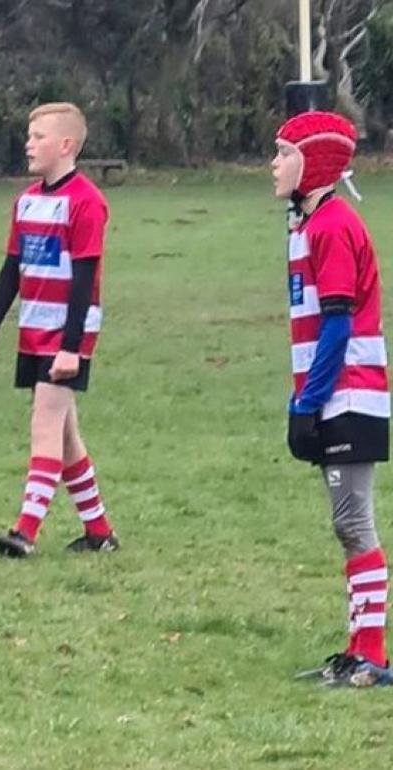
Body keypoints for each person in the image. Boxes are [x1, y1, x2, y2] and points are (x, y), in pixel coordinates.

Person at [273, 111, 390, 687]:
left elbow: (338, 326)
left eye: (283, 153)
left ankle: (371, 657)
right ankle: (358, 649)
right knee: (347, 525)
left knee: (354, 522)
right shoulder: (305, 224)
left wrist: (306, 404)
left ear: (312, 162)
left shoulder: (332, 226)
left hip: (348, 395)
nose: (272, 164)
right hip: (330, 396)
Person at [0, 103, 119, 558]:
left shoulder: (86, 202)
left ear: (66, 145)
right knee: (65, 434)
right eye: (29, 135)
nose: (28, 144)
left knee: (44, 423)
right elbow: (11, 268)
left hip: (66, 334)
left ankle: (25, 530)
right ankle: (99, 533)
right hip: (34, 330)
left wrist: (72, 347)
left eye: (38, 136)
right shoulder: (27, 201)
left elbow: (83, 280)